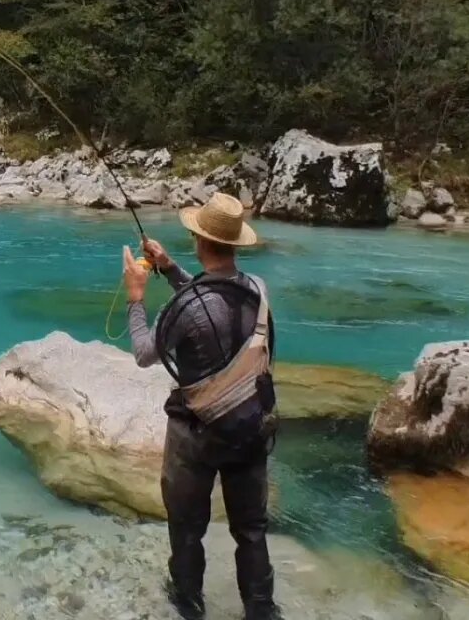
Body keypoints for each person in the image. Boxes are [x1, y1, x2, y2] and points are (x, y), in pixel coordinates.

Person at [121, 192, 280, 620]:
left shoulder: (185, 306)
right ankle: (261, 609)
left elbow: (143, 353)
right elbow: (213, 300)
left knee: (187, 527)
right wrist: (170, 268)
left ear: (199, 239)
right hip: (250, 426)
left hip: (197, 433)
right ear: (234, 244)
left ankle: (189, 606)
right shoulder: (257, 291)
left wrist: (136, 296)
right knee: (251, 530)